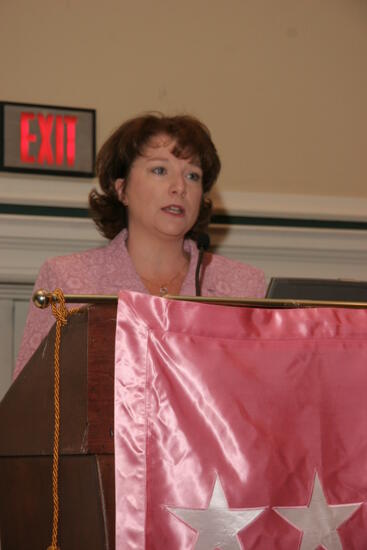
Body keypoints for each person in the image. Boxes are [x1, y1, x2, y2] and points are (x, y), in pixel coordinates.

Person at [14, 113, 266, 379]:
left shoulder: (244, 287)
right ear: (121, 189)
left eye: (193, 176)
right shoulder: (68, 282)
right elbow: (30, 403)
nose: (179, 187)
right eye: (160, 170)